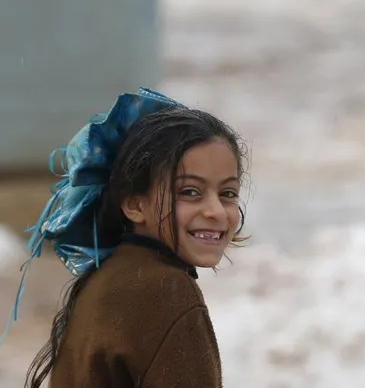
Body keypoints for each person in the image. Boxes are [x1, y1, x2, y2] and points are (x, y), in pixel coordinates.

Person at [3, 88, 248, 387]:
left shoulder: (106, 274)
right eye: (190, 192)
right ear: (133, 203)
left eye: (227, 193)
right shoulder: (167, 292)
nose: (215, 211)